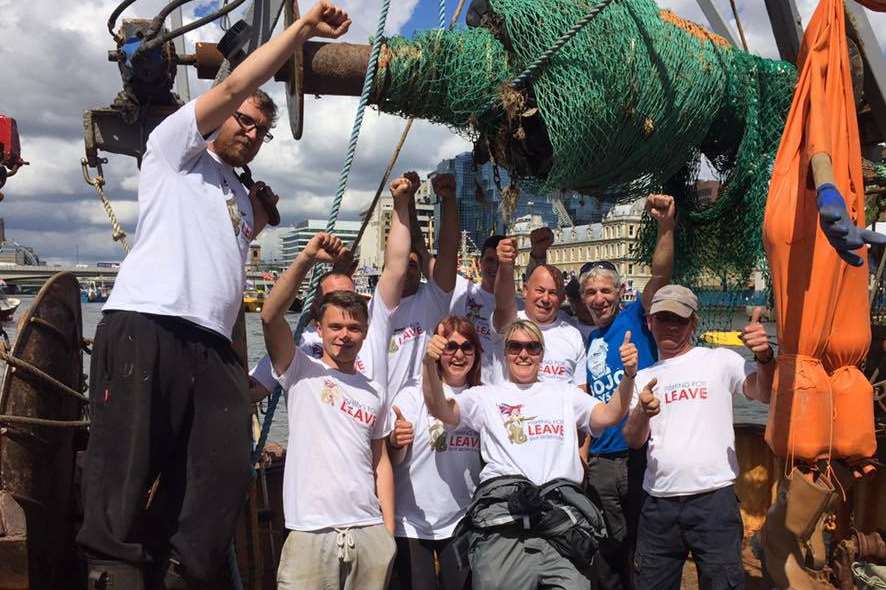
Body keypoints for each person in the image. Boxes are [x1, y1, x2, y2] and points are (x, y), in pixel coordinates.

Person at [76, 3, 352, 588]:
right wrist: (299, 30)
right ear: (219, 119)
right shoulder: (174, 146)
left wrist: (269, 223)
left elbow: (230, 237)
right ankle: (114, 572)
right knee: (124, 473)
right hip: (146, 323)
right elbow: (234, 83)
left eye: (260, 130)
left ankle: (179, 573)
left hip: (210, 347)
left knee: (222, 472)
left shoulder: (233, 190)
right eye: (243, 121)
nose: (250, 133)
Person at [422, 318, 640, 589]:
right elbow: (440, 409)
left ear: (542, 353)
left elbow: (610, 414)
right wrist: (429, 366)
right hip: (504, 526)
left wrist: (629, 376)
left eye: (532, 347)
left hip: (561, 527)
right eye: (515, 347)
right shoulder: (485, 396)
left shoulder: (565, 394)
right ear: (505, 354)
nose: (523, 354)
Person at [262, 233, 397, 590]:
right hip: (310, 530)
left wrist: (388, 534)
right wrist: (307, 258)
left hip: (368, 531)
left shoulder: (374, 391)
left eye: (354, 328)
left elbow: (380, 461)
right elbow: (270, 314)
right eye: (335, 326)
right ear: (318, 329)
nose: (344, 335)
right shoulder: (299, 369)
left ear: (365, 333)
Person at [621, 286, 774, 590]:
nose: (671, 326)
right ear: (650, 323)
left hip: (713, 501)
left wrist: (765, 357)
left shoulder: (719, 360)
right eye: (663, 318)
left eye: (679, 319)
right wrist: (642, 411)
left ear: (693, 324)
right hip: (659, 505)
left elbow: (764, 392)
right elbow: (633, 439)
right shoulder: (640, 377)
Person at [249, 171, 418, 396]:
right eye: (334, 301)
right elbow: (270, 318)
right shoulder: (300, 351)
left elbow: (396, 268)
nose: (344, 311)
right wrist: (307, 257)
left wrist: (401, 205)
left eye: (349, 299)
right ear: (318, 309)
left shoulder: (372, 333)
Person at [581, 193, 675, 590]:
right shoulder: (586, 341)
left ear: (619, 293)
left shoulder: (638, 316)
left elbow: (660, 274)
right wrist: (584, 444)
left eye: (606, 291)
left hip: (638, 451)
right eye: (591, 293)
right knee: (606, 545)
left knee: (640, 543)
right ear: (582, 299)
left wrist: (666, 226)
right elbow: (588, 398)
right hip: (601, 460)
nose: (599, 299)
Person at [387, 315, 483, 590]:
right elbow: (394, 460)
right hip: (413, 521)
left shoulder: (482, 396)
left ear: (476, 353)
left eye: (467, 347)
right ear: (438, 351)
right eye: (450, 347)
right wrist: (396, 441)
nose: (459, 354)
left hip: (461, 521)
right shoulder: (411, 394)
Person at [386, 173, 459, 396]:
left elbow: (448, 249)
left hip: (426, 409)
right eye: (402, 264)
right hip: (384, 415)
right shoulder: (376, 309)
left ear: (421, 272)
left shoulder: (433, 298)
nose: (406, 270)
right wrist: (405, 201)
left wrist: (448, 199)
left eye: (413, 266)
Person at [492, 238, 586, 387]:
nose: (545, 298)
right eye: (540, 290)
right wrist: (505, 265)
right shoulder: (510, 323)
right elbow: (503, 302)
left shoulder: (573, 334)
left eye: (553, 293)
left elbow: (581, 389)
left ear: (562, 298)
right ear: (525, 291)